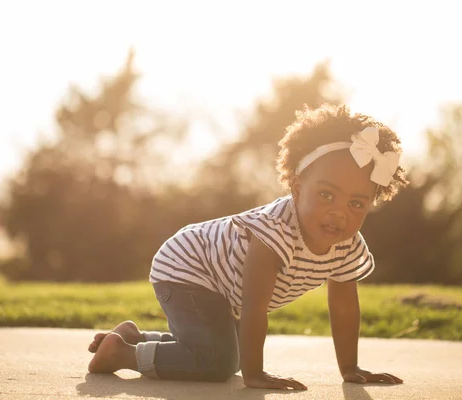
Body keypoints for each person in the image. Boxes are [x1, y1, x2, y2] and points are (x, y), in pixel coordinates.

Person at [87, 104, 408, 390]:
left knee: (228, 352)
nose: (339, 212)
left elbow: (344, 308)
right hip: (188, 266)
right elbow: (255, 305)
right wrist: (255, 375)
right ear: (297, 189)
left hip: (221, 285)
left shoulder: (347, 245)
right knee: (220, 363)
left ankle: (134, 338)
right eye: (327, 195)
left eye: (356, 203)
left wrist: (350, 369)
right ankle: (121, 354)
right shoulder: (276, 232)